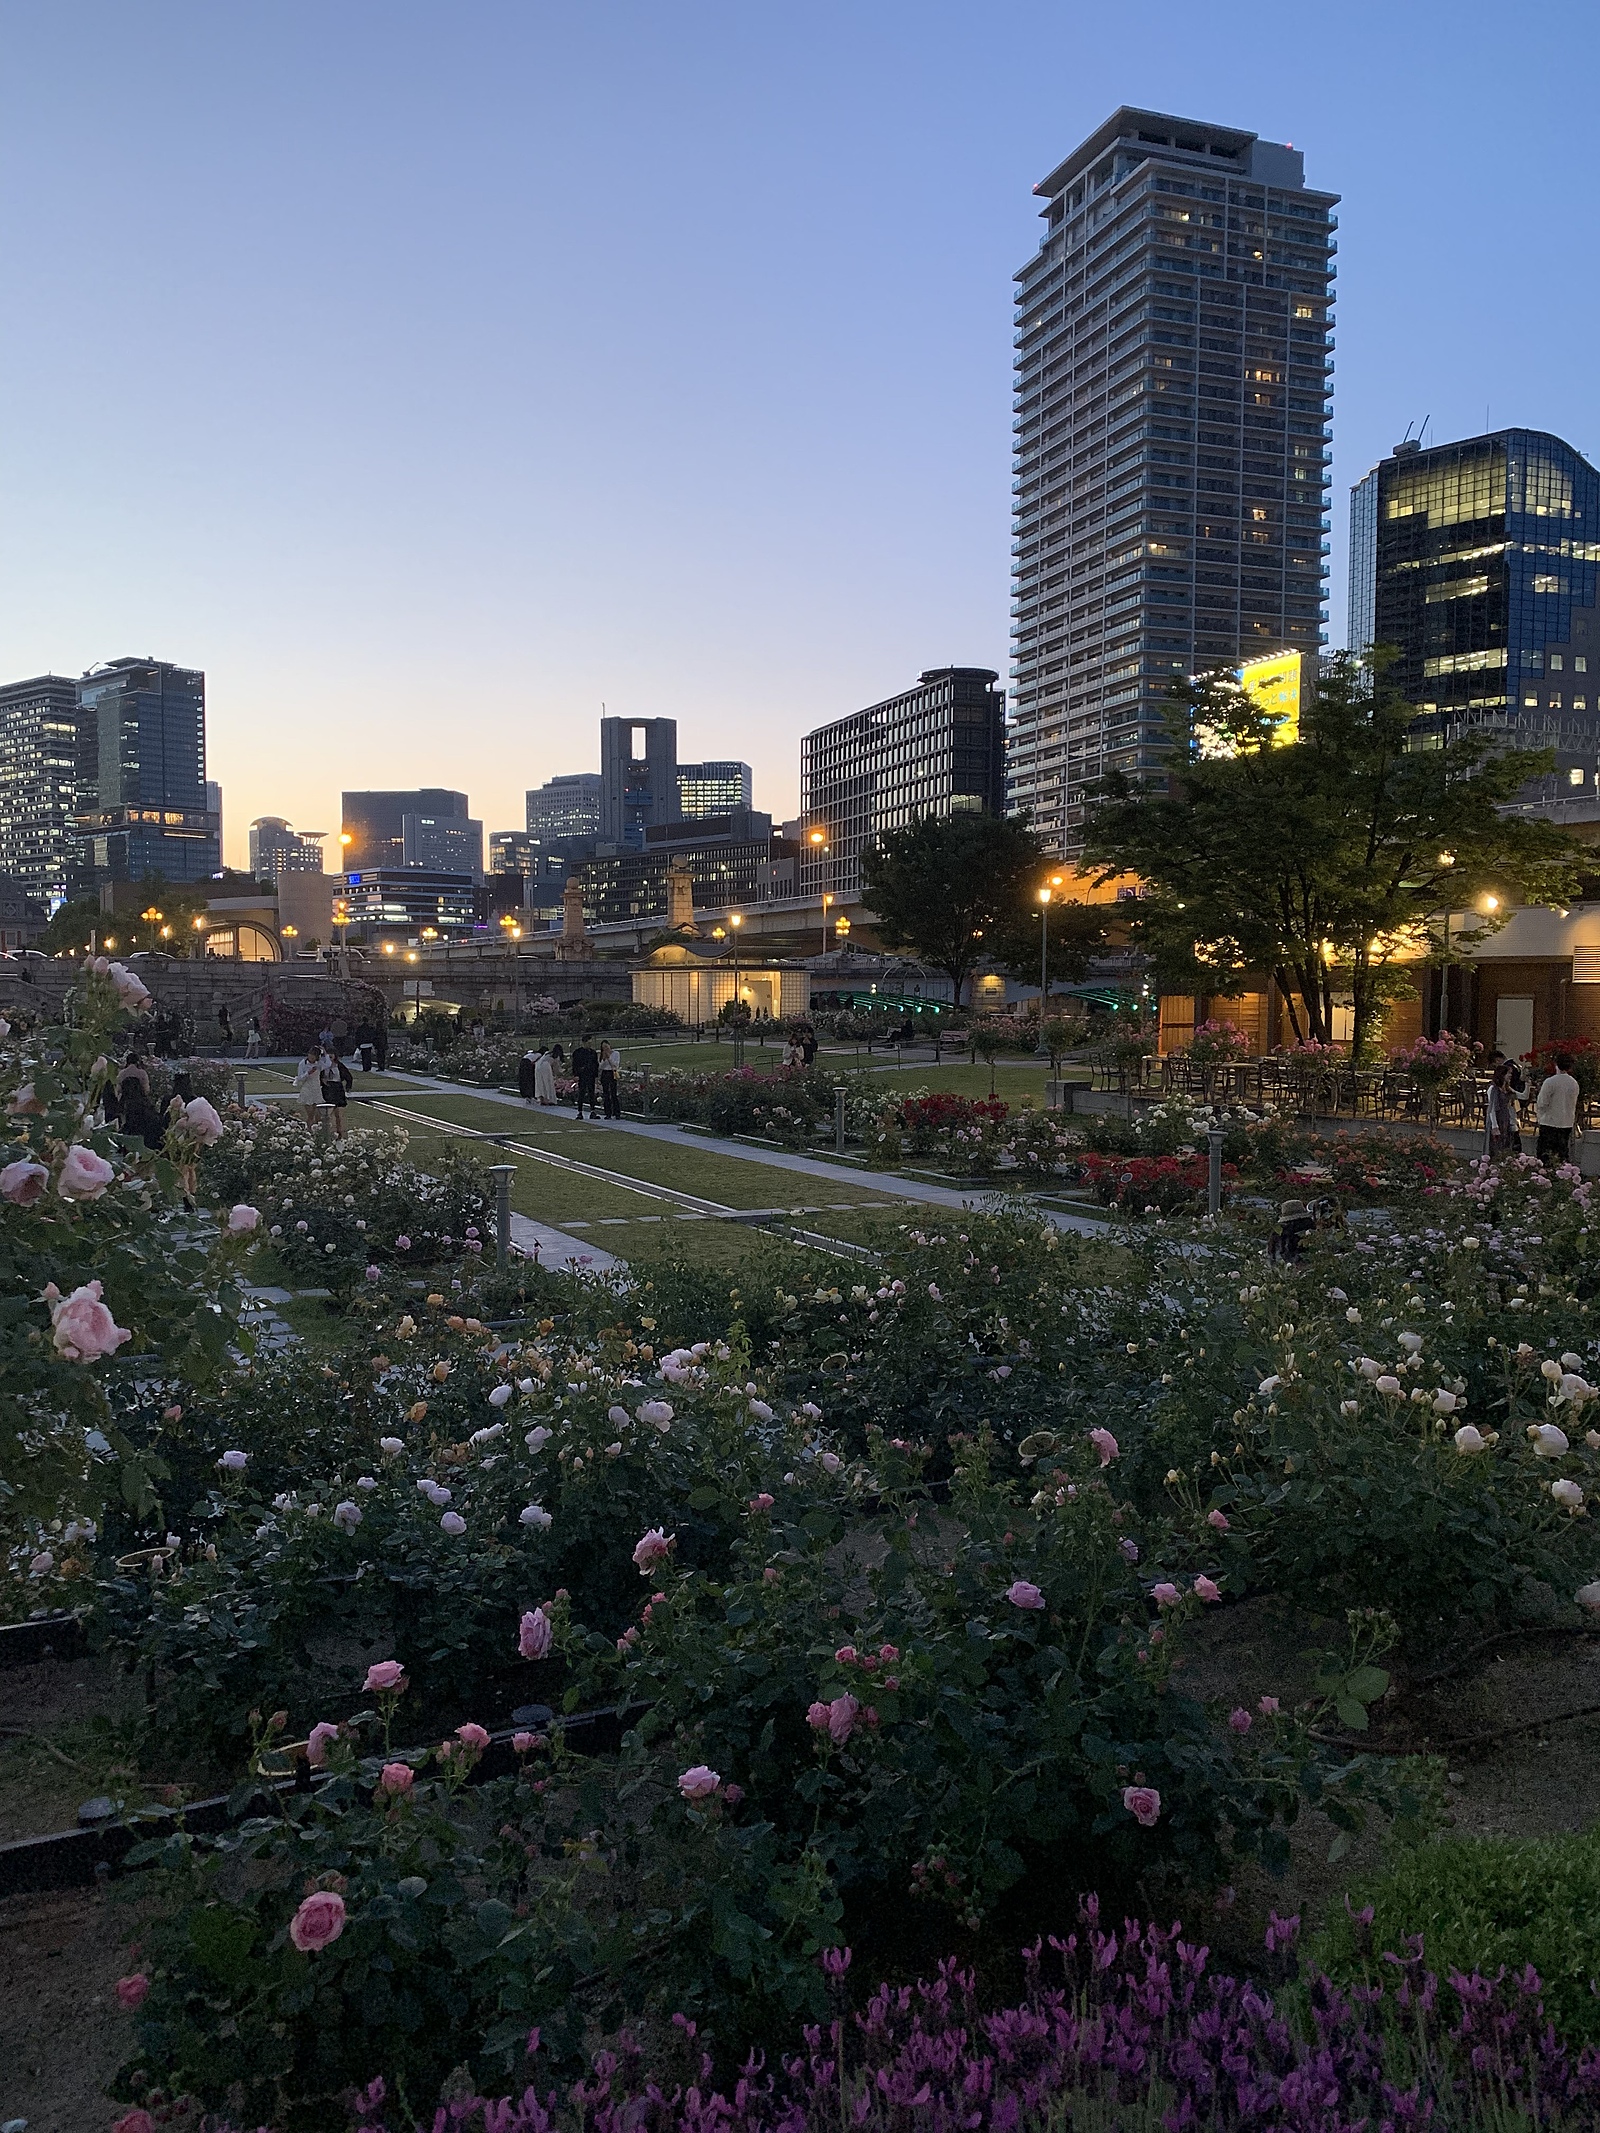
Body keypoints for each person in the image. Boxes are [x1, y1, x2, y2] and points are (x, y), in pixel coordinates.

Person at [1535, 1054, 1581, 1165]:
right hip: (1566, 1122)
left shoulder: (1550, 1082)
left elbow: (1542, 1103)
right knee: (1562, 1154)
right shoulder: (1574, 1083)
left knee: (1545, 1156)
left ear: (1556, 1065)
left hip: (1549, 1122)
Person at [1485, 1059, 1522, 1159]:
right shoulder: (1493, 1089)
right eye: (1508, 1073)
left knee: (1506, 1141)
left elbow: (1520, 1098)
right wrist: (1494, 1126)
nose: (1510, 1075)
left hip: (1505, 1118)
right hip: (1497, 1118)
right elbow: (1492, 1109)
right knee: (1496, 1143)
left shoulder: (1507, 1089)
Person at [319, 1046, 353, 1139]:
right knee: (326, 1113)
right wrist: (322, 1081)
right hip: (327, 1089)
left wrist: (348, 1087)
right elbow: (318, 1076)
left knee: (338, 1114)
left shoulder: (339, 1065)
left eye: (331, 1055)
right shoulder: (323, 1066)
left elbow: (348, 1076)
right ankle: (327, 1132)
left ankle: (339, 1132)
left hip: (337, 1088)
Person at [292, 1046, 326, 1131]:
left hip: (316, 1089)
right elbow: (300, 1078)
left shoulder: (319, 1063)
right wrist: (308, 1073)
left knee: (317, 1114)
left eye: (314, 1055)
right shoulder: (303, 1063)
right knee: (310, 1114)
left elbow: (327, 1064)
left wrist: (324, 1052)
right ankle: (309, 1130)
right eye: (310, 1054)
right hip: (307, 1088)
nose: (311, 1057)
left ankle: (314, 1129)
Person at [571, 1037, 600, 1119]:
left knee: (591, 1093)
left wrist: (596, 1075)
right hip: (582, 1075)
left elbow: (595, 1065)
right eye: (588, 1043)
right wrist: (576, 1074)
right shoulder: (578, 1052)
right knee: (581, 1093)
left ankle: (592, 1111)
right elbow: (575, 1064)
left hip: (591, 1075)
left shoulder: (593, 1053)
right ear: (584, 1042)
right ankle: (580, 1111)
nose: (590, 1044)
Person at [598, 1039, 622, 1119]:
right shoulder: (602, 1054)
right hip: (605, 1073)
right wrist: (604, 1059)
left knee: (613, 1093)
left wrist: (609, 1058)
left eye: (606, 1046)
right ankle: (608, 1113)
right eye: (603, 1047)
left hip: (612, 1073)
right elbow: (600, 1066)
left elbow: (615, 1065)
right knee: (606, 1094)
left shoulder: (616, 1053)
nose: (605, 1049)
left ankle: (617, 1113)